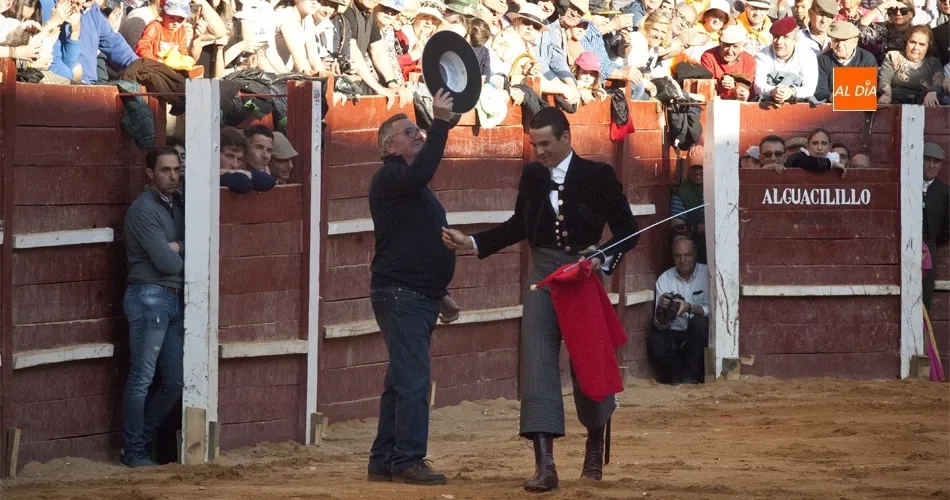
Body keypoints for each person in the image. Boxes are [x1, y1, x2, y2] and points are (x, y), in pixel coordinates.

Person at [441, 107, 639, 492]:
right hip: (542, 276)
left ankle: (594, 449)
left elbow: (629, 231)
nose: (540, 151)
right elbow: (520, 224)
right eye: (535, 144)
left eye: (546, 143)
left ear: (567, 138)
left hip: (580, 276)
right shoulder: (532, 176)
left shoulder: (597, 176)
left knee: (588, 363)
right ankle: (545, 464)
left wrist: (600, 256)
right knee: (536, 362)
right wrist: (475, 241)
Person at [367, 88, 461, 486]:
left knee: (401, 380)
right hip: (402, 295)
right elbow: (423, 170)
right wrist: (440, 123)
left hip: (415, 295)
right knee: (413, 380)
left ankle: (385, 459)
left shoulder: (408, 186)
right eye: (410, 132)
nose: (418, 135)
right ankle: (407, 459)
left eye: (419, 130)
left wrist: (441, 294)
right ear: (390, 145)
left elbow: (419, 240)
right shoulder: (391, 177)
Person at [120, 147, 185, 468]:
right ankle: (133, 452)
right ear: (150, 174)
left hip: (172, 297)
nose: (173, 176)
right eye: (165, 170)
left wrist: (180, 246)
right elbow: (164, 260)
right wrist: (184, 249)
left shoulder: (179, 202)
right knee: (142, 377)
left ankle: (140, 443)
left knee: (174, 380)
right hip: (149, 296)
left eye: (176, 169)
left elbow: (176, 253)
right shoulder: (143, 209)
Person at [648, 237, 709, 384]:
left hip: (698, 334)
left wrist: (690, 307)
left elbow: (716, 310)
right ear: (673, 257)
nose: (682, 260)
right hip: (675, 331)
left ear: (695, 254)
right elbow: (660, 325)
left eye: (687, 255)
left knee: (699, 324)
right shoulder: (664, 279)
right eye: (678, 255)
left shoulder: (708, 274)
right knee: (655, 341)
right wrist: (662, 312)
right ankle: (682, 376)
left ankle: (689, 376)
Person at [923, 142, 948, 313]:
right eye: (927, 160)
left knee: (925, 294)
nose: (932, 165)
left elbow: (947, 229)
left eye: (936, 161)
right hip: (903, 246)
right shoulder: (906, 185)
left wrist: (930, 242)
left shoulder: (945, 192)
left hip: (929, 246)